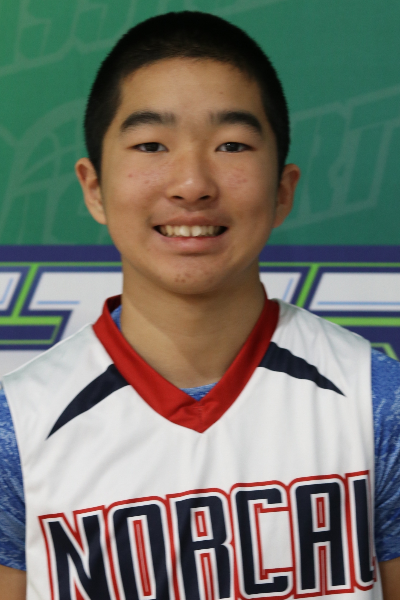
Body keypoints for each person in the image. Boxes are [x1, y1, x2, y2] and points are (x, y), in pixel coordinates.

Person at [0, 11, 399, 600]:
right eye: (151, 144)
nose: (192, 184)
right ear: (94, 188)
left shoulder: (377, 403)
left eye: (232, 144)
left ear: (283, 189)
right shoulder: (17, 427)